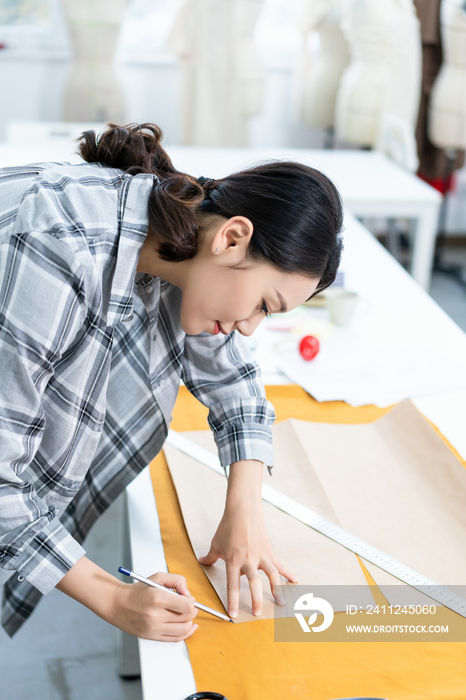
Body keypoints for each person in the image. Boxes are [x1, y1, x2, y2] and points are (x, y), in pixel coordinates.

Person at [0, 122, 343, 642]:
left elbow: (235, 383)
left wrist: (242, 512)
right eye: (263, 304)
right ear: (233, 237)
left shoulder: (179, 235)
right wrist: (112, 596)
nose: (250, 326)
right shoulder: (65, 245)